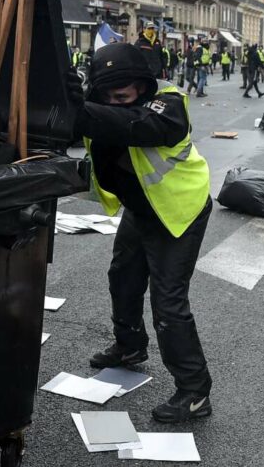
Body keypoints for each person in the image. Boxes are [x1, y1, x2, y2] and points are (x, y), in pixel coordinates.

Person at [67, 42, 213, 424]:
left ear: (143, 86)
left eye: (124, 95)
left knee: (168, 302)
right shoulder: (98, 103)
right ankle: (130, 347)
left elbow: (140, 127)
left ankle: (195, 392)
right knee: (124, 278)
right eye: (108, 96)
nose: (116, 102)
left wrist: (82, 112)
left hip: (177, 211)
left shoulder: (168, 103)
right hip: (141, 208)